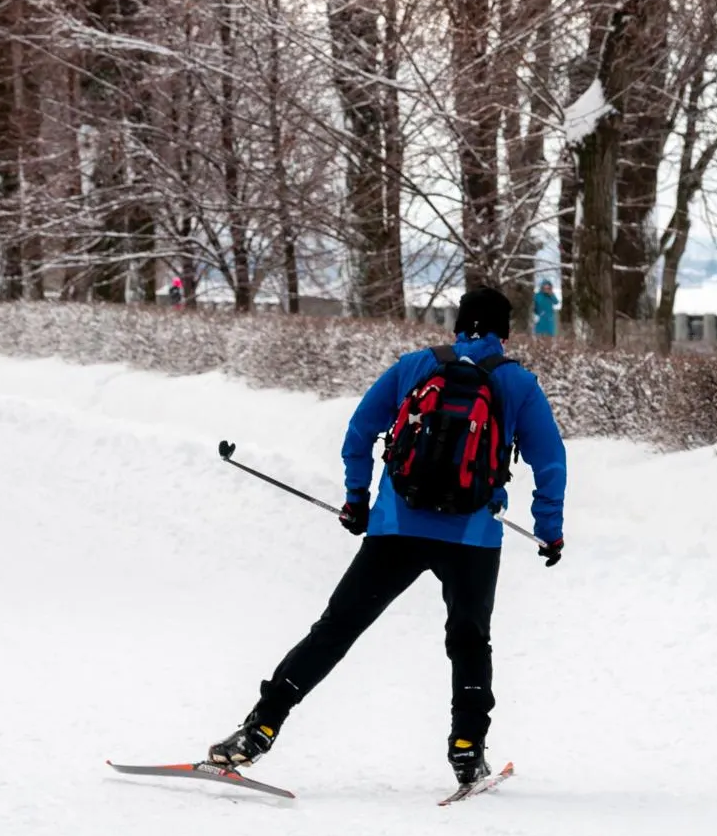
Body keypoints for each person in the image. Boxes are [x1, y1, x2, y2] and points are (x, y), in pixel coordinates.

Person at [208, 286, 568, 786]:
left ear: (459, 325)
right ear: (506, 333)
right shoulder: (517, 384)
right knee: (469, 641)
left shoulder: (416, 367)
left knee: (336, 629)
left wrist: (357, 499)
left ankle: (260, 727)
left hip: (396, 527)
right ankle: (467, 747)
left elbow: (359, 431)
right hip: (473, 537)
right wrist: (550, 530)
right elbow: (550, 461)